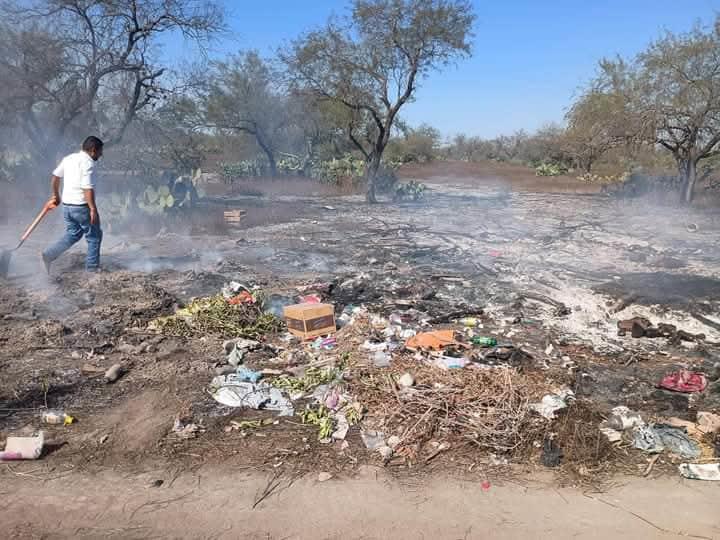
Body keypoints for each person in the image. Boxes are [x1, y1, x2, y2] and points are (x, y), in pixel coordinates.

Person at [42, 136, 104, 273]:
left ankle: (49, 254)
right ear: (93, 150)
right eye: (100, 151)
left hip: (67, 206)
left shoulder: (68, 159)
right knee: (94, 236)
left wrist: (56, 196)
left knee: (73, 233)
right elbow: (87, 188)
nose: (101, 154)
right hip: (81, 207)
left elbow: (55, 177)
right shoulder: (88, 163)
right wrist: (93, 209)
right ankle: (92, 269)